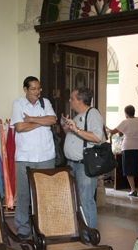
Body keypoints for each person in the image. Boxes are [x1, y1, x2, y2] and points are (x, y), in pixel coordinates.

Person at [11, 76, 57, 239]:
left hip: (46, 155)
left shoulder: (45, 103)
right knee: (23, 194)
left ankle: (45, 226)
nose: (37, 92)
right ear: (25, 89)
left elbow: (52, 119)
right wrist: (41, 122)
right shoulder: (18, 104)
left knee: (45, 193)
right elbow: (20, 127)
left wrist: (31, 119)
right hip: (25, 155)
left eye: (39, 89)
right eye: (33, 89)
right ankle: (23, 227)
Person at [62, 87, 104, 230]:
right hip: (72, 165)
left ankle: (90, 237)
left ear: (80, 101)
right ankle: (79, 232)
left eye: (72, 98)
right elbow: (75, 136)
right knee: (75, 201)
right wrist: (66, 126)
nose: (69, 100)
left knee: (86, 202)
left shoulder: (93, 114)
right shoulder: (77, 116)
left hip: (83, 165)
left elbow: (97, 138)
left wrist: (77, 130)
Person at [107, 105, 138, 196]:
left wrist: (108, 129)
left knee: (129, 170)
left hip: (128, 148)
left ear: (126, 113)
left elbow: (113, 132)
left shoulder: (125, 122)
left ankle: (133, 190)